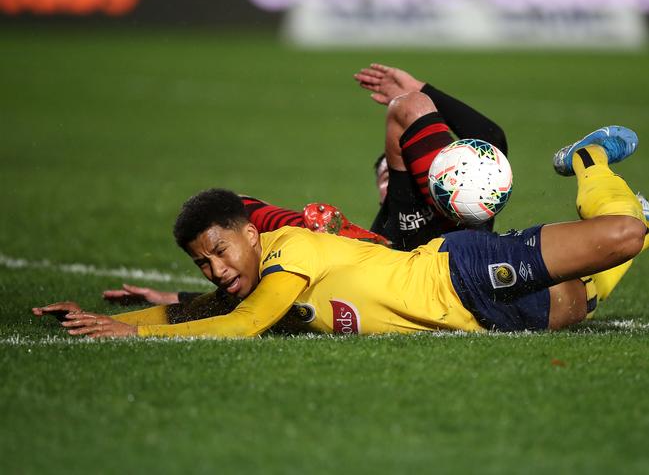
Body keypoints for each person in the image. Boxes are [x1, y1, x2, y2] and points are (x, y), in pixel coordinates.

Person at [33, 102, 648, 337]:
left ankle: (586, 161)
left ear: (253, 233)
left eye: (219, 251)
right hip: (483, 320)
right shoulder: (266, 279)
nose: (215, 270)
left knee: (623, 236)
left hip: (459, 275)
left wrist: (132, 334)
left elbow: (243, 322)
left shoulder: (290, 251)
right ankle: (620, 193)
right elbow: (203, 312)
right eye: (203, 264)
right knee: (585, 295)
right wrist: (107, 318)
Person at [102, 63, 510, 306]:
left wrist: (421, 90)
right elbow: (243, 229)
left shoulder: (453, 200)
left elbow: (491, 136)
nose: (387, 177)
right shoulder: (393, 222)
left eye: (391, 169)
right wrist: (176, 299)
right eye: (383, 173)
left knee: (411, 108)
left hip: (461, 268)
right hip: (414, 277)